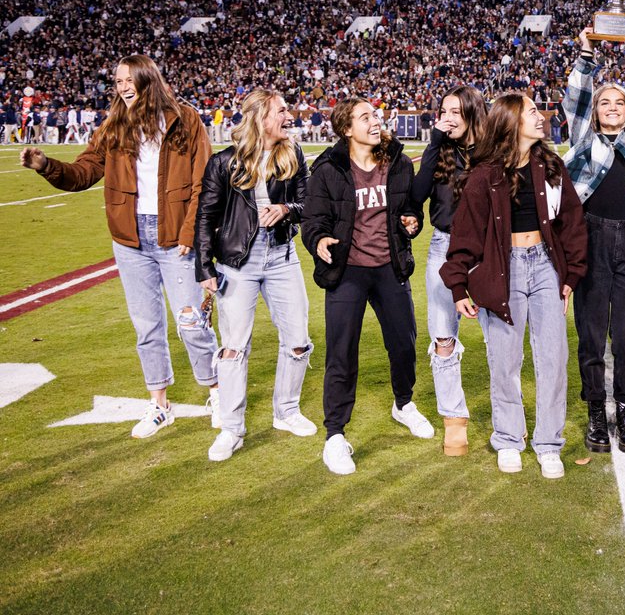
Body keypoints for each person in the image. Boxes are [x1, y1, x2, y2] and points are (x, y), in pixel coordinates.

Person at [20, 54, 219, 439]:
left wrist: (190, 232)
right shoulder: (113, 126)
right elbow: (83, 173)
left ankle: (216, 391)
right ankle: (160, 405)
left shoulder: (185, 118)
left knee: (192, 322)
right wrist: (47, 166)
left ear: (148, 79)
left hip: (175, 237)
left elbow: (203, 183)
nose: (122, 86)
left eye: (129, 79)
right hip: (130, 240)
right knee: (147, 326)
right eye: (118, 81)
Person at [440, 93, 587, 479]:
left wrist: (570, 276)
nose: (541, 117)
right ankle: (508, 438)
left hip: (544, 268)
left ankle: (549, 443)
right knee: (504, 360)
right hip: (502, 271)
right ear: (512, 121)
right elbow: (465, 236)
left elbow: (571, 222)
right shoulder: (484, 175)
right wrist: (459, 288)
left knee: (553, 358)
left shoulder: (552, 165)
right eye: (533, 111)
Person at [302, 97, 432, 476]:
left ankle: (403, 403)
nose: (375, 121)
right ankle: (335, 434)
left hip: (389, 267)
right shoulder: (327, 169)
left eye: (375, 115)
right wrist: (320, 241)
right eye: (365, 117)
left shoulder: (399, 161)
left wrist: (411, 221)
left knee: (404, 343)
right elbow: (313, 221)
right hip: (348, 272)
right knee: (341, 352)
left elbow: (409, 209)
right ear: (347, 129)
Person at [195, 89, 316, 462]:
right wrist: (204, 267)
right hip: (237, 263)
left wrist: (285, 209)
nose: (288, 115)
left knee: (298, 340)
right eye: (281, 110)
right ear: (260, 117)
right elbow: (206, 217)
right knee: (233, 347)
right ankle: (231, 428)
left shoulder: (292, 154)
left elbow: (308, 202)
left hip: (282, 257)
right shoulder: (223, 163)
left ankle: (287, 411)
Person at [563, 25, 625, 454]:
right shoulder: (583, 139)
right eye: (604, 102)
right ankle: (595, 413)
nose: (611, 107)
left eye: (619, 102)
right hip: (591, 237)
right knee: (590, 333)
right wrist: (587, 53)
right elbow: (577, 100)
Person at [411, 84, 487, 456]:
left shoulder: (492, 153)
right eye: (444, 111)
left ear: (474, 113)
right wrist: (433, 142)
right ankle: (453, 420)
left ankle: (509, 418)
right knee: (443, 337)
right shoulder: (438, 151)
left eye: (456, 111)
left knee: (499, 338)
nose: (448, 117)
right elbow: (415, 195)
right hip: (444, 247)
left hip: (488, 252)